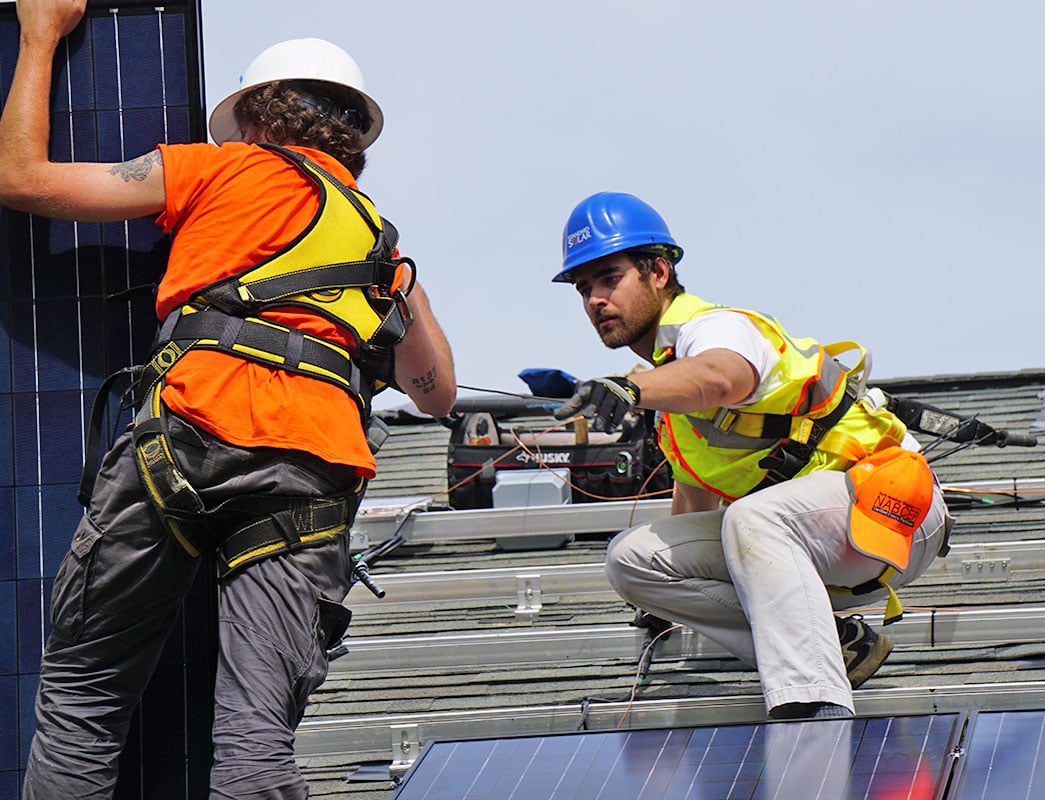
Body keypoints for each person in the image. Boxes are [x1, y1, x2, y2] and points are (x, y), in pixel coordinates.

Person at [0, 1, 456, 797]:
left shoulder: (221, 168)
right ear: (353, 132)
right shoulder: (382, 245)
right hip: (309, 478)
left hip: (184, 443)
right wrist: (400, 287)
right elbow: (436, 392)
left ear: (250, 115)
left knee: (83, 702)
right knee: (255, 742)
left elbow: (22, 181)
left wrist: (42, 34)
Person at [552, 191, 952, 720]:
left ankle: (814, 708)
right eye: (584, 289)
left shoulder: (717, 328)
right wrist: (664, 604)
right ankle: (839, 645)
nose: (595, 300)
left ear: (658, 272)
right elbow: (693, 508)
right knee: (630, 559)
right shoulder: (674, 407)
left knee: (751, 516)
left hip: (892, 509)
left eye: (609, 278)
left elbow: (722, 377)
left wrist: (636, 388)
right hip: (820, 543)